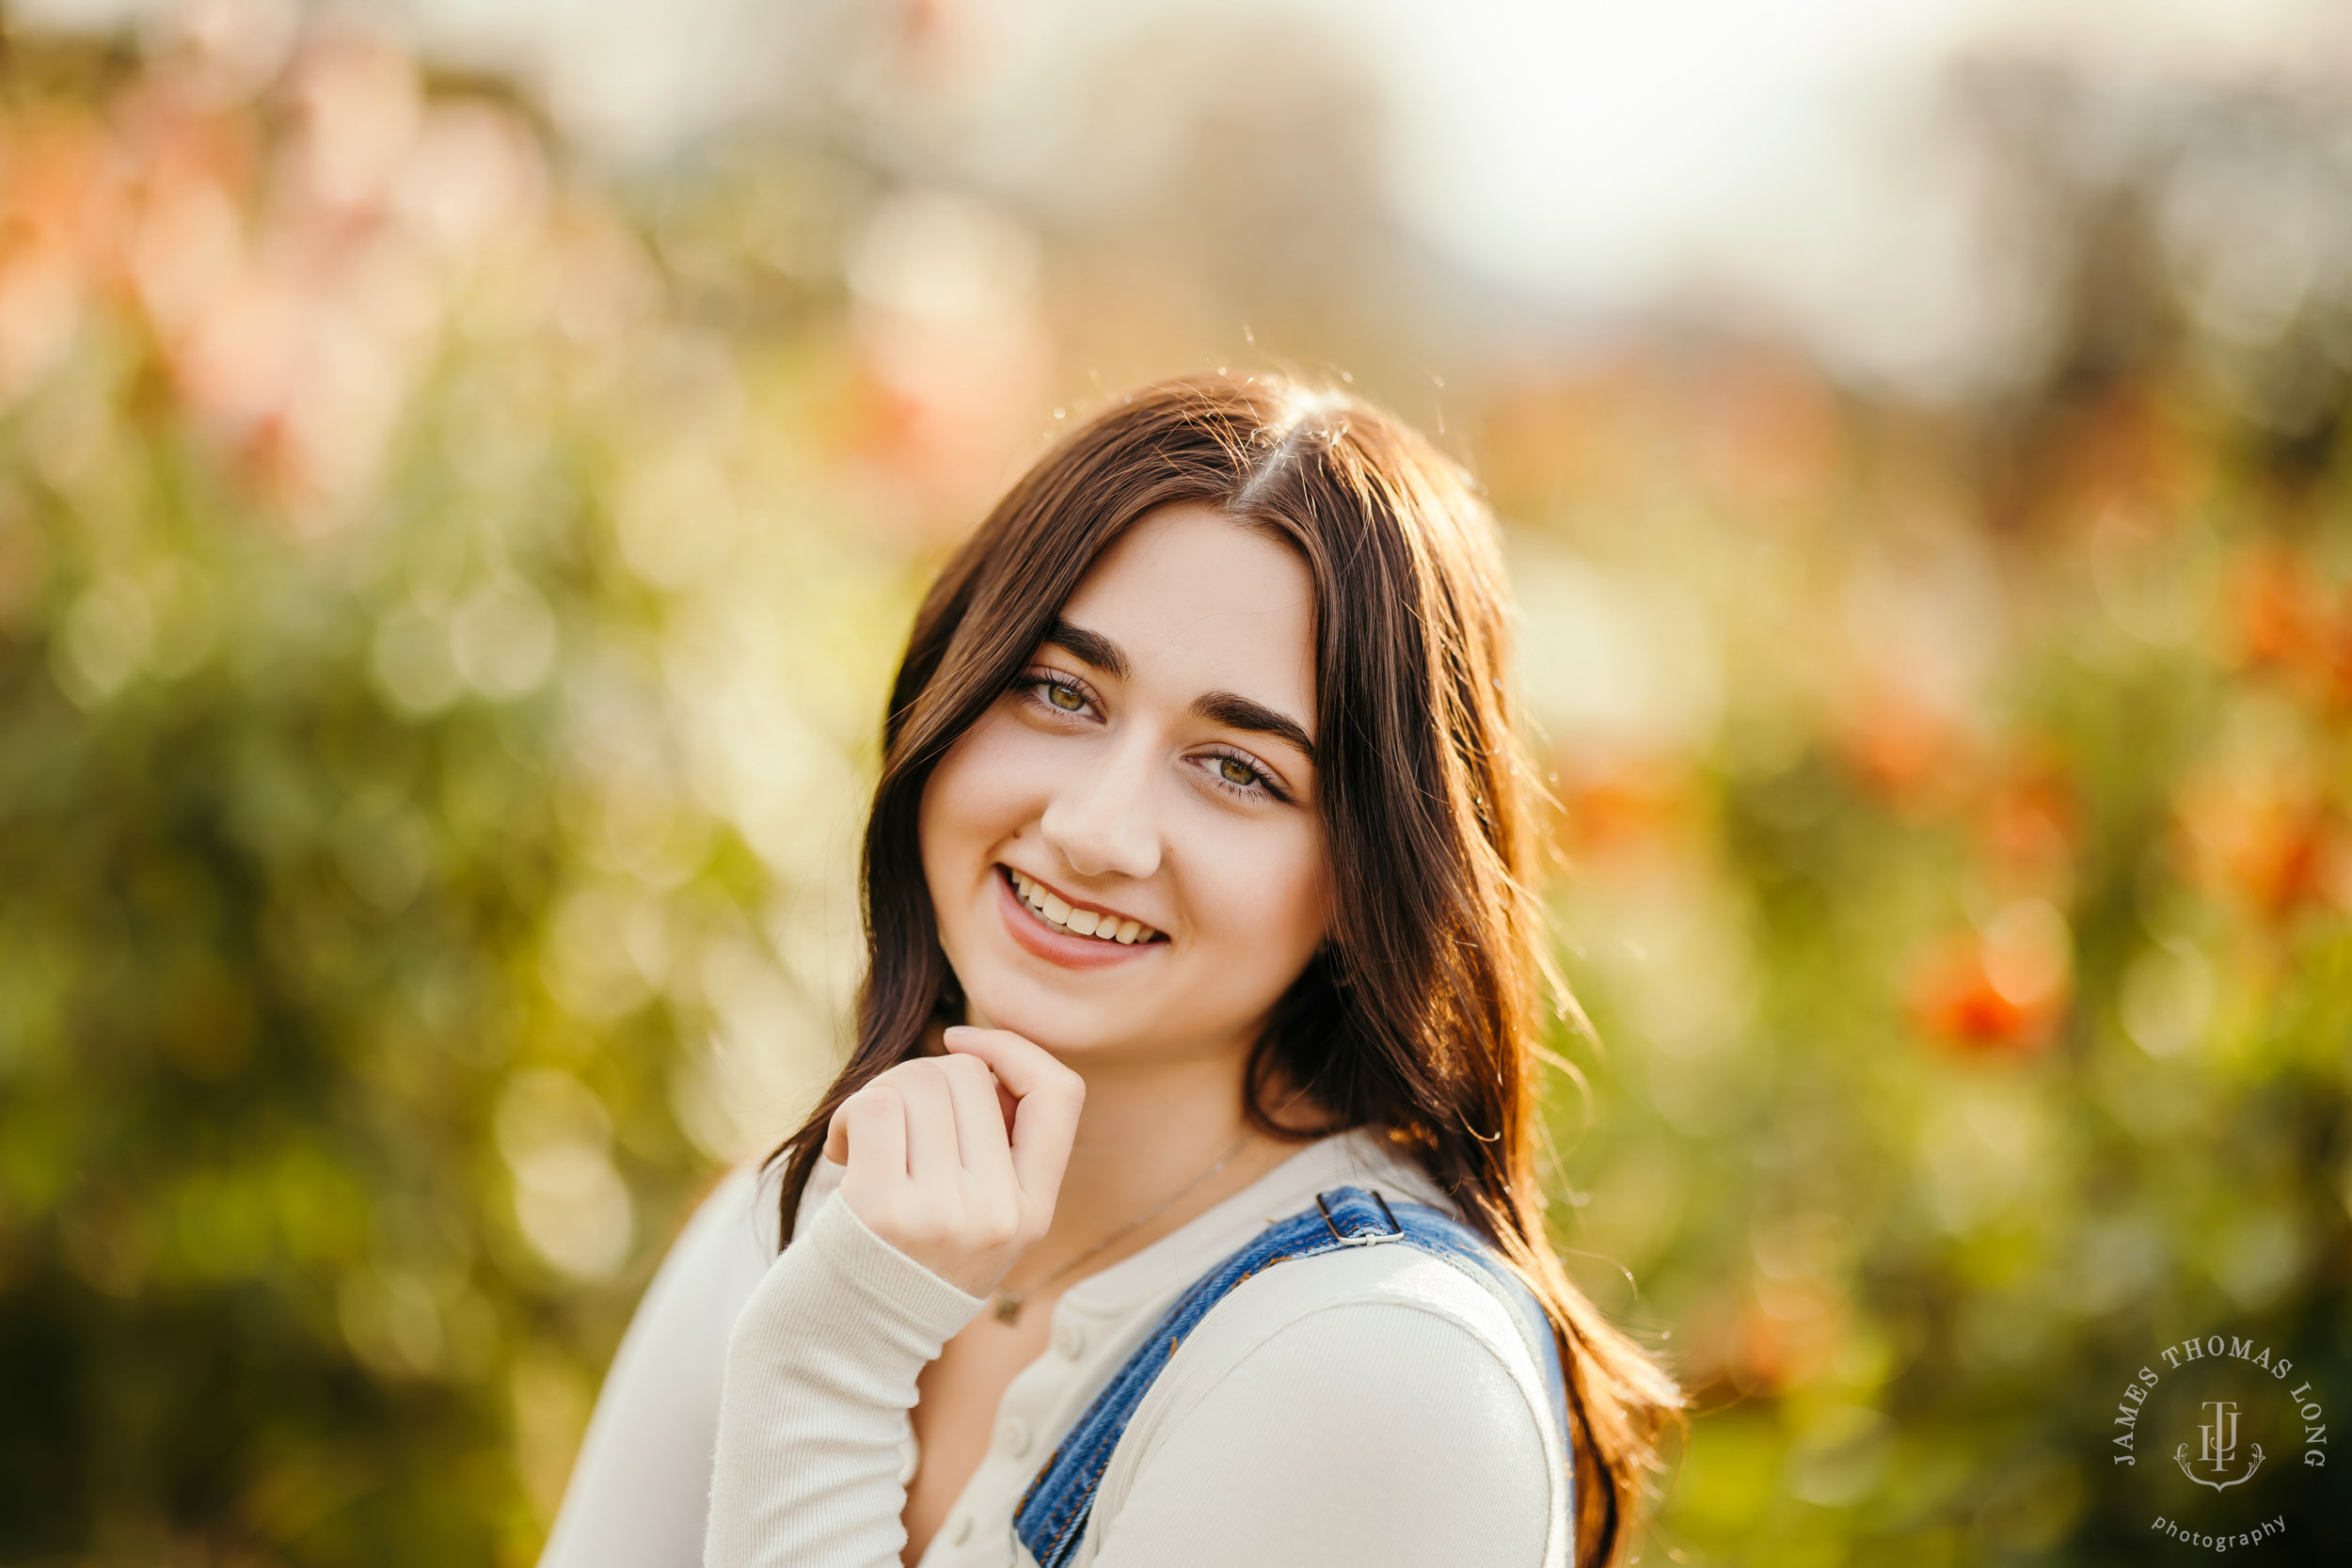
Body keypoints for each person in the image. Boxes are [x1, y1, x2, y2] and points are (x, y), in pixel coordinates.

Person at [537, 375, 1679, 1568]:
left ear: (1368, 877)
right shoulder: (812, 1216)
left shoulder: (1387, 1369)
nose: (1094, 828)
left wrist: (829, 1368)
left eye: (1237, 768)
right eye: (1058, 690)